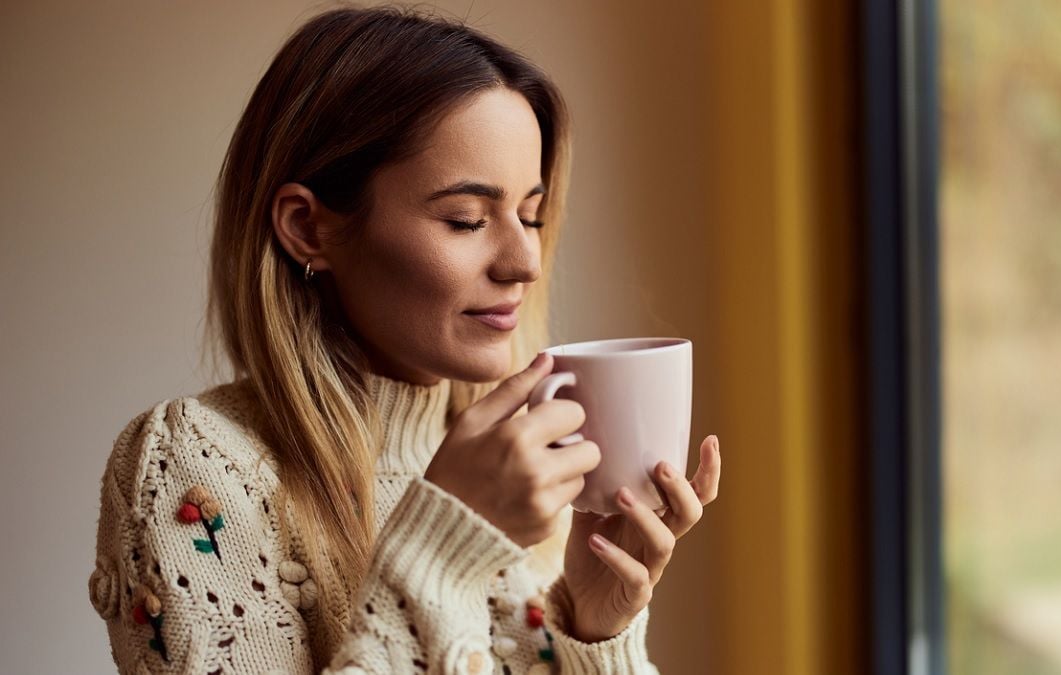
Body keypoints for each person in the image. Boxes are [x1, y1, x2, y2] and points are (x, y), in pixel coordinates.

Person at [86, 5, 721, 674]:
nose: (525, 262)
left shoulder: (522, 471)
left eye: (531, 215)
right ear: (308, 227)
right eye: (467, 219)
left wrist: (596, 630)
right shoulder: (197, 467)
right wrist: (439, 549)